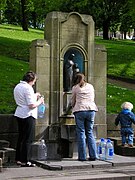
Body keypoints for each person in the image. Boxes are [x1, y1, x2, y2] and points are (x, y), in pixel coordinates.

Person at [14, 71, 44, 167]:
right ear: (31, 80)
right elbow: (31, 105)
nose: (34, 82)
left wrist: (35, 95)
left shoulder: (18, 86)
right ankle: (25, 160)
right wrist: (40, 101)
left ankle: (18, 159)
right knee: (28, 139)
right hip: (28, 115)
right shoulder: (28, 88)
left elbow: (24, 98)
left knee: (21, 137)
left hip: (19, 113)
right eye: (34, 80)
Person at [71, 73, 98, 161]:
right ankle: (93, 155)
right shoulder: (90, 86)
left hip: (80, 110)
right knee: (90, 132)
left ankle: (82, 156)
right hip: (91, 110)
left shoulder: (75, 88)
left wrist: (71, 107)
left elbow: (73, 101)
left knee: (81, 133)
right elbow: (92, 98)